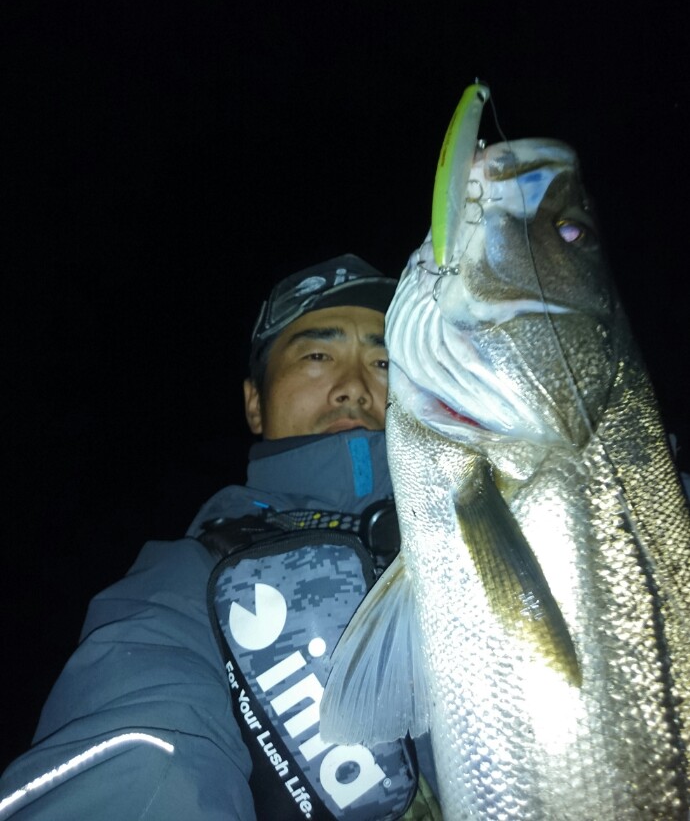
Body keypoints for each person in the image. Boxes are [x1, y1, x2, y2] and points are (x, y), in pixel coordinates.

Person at [0, 255, 440, 820]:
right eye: (317, 356)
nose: (353, 387)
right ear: (255, 403)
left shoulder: (478, 529)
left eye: (383, 363)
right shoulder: (195, 580)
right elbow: (141, 750)